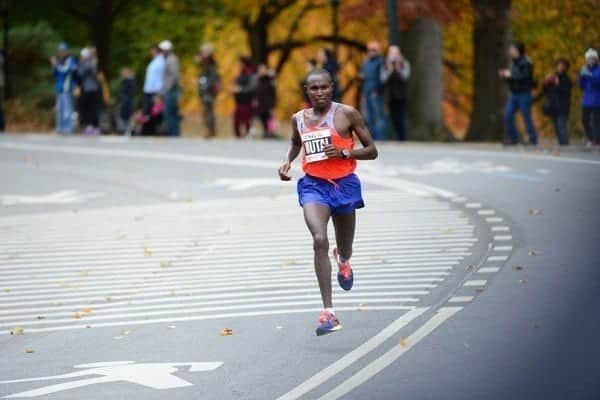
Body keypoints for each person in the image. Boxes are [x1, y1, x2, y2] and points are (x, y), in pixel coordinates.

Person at [278, 68, 378, 336]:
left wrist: (345, 152)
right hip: (314, 186)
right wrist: (288, 161)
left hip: (344, 185)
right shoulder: (298, 118)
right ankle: (328, 313)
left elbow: (372, 150)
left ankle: (343, 260)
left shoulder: (347, 114)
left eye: (324, 87)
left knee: (345, 245)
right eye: (314, 88)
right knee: (319, 239)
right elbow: (295, 143)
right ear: (307, 91)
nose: (319, 92)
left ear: (331, 87)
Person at [500, 41, 538, 145]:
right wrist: (505, 76)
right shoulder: (513, 62)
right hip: (514, 94)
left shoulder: (527, 62)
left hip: (524, 93)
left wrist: (510, 75)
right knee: (507, 114)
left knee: (526, 116)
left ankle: (533, 139)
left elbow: (525, 77)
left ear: (518, 50)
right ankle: (514, 139)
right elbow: (513, 79)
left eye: (512, 49)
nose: (510, 51)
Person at [381, 45, 410, 141]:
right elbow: (383, 79)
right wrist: (389, 69)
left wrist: (397, 67)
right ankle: (397, 136)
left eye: (395, 53)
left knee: (400, 117)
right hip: (390, 96)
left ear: (399, 54)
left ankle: (402, 138)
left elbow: (405, 77)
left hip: (401, 95)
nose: (393, 55)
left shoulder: (404, 64)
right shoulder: (385, 65)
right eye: (391, 53)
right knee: (393, 117)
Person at [541, 59, 572, 146]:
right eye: (559, 65)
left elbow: (566, 93)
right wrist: (545, 83)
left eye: (562, 66)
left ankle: (565, 145)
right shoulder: (553, 78)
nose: (560, 67)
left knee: (562, 127)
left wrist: (558, 85)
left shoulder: (567, 79)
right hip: (553, 107)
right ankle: (562, 144)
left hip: (563, 107)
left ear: (566, 68)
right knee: (557, 128)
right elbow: (546, 92)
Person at [360, 41, 387, 140]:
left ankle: (380, 138)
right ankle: (372, 139)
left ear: (378, 51)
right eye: (369, 50)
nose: (371, 52)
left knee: (378, 116)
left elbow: (383, 78)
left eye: (374, 50)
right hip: (366, 92)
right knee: (368, 117)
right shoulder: (366, 62)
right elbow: (363, 75)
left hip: (376, 93)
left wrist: (377, 89)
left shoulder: (381, 62)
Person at [50, 42, 77, 134]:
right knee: (59, 110)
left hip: (67, 88)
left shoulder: (70, 60)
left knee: (67, 109)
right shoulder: (59, 61)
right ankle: (59, 128)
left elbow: (65, 70)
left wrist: (56, 65)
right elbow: (55, 74)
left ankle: (68, 128)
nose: (61, 52)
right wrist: (54, 66)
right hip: (59, 88)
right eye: (60, 51)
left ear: (67, 51)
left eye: (63, 51)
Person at [196, 44, 220, 138]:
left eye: (203, 52)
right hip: (205, 90)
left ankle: (211, 130)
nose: (201, 54)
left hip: (208, 91)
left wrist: (205, 86)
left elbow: (213, 78)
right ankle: (209, 130)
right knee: (206, 111)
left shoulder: (211, 64)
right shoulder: (204, 64)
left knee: (208, 111)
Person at [159, 40, 181, 136]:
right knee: (171, 112)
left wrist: (167, 88)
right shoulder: (169, 59)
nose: (162, 52)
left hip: (171, 90)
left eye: (163, 50)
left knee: (169, 112)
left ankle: (174, 133)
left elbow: (174, 76)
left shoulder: (171, 60)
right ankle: (173, 132)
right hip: (170, 90)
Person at [77, 47, 101, 135]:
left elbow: (94, 72)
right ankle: (87, 125)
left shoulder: (93, 62)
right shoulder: (82, 63)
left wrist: (91, 61)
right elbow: (80, 73)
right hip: (85, 89)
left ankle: (94, 126)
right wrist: (85, 63)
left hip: (93, 89)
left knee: (93, 109)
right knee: (85, 108)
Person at [579, 48, 600, 146]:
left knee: (596, 121)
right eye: (589, 59)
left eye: (593, 58)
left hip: (597, 100)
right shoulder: (584, 69)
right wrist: (582, 78)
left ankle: (597, 139)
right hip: (587, 100)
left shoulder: (598, 70)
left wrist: (589, 76)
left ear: (596, 59)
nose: (591, 60)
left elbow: (597, 83)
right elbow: (581, 86)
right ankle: (590, 138)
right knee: (584, 119)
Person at [233, 56, 257, 138]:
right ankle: (238, 137)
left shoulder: (251, 74)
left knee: (247, 120)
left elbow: (252, 88)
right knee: (236, 120)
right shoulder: (240, 74)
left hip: (247, 101)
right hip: (239, 101)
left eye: (240, 63)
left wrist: (240, 89)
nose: (238, 65)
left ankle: (248, 135)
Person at [255, 64, 277, 139]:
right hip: (261, 104)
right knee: (262, 119)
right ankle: (265, 132)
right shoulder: (258, 80)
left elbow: (273, 93)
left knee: (269, 119)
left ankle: (271, 133)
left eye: (263, 69)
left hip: (268, 104)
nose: (261, 71)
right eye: (260, 69)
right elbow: (257, 92)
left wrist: (273, 106)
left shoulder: (270, 80)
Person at [143, 45, 165, 115]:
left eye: (152, 50)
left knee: (155, 112)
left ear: (156, 51)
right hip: (149, 90)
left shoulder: (161, 62)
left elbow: (161, 77)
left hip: (155, 91)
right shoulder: (154, 61)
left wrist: (158, 93)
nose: (151, 52)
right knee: (149, 112)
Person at [119, 67, 136, 132]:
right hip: (124, 101)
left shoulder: (129, 81)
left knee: (129, 115)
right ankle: (126, 129)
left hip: (128, 101)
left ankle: (129, 129)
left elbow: (131, 91)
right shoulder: (123, 81)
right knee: (124, 115)